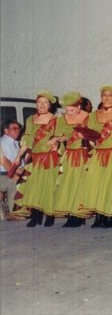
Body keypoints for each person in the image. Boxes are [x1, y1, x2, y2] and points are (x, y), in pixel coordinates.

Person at [78, 85, 112, 228]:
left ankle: (110, 217)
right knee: (96, 184)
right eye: (104, 95)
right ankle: (99, 216)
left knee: (110, 185)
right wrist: (89, 141)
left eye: (110, 95)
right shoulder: (93, 115)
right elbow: (87, 134)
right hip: (98, 154)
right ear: (101, 97)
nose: (107, 98)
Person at [15, 91, 60, 227]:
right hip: (35, 158)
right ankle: (36, 216)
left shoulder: (56, 119)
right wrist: (18, 156)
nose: (42, 105)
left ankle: (50, 215)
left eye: (45, 103)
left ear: (50, 105)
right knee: (33, 186)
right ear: (36, 104)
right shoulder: (30, 119)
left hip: (50, 158)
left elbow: (61, 137)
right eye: (40, 102)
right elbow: (27, 140)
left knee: (48, 186)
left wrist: (56, 143)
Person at [52, 92, 90, 227]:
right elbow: (61, 136)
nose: (69, 113)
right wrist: (57, 140)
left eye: (71, 110)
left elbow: (94, 135)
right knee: (68, 184)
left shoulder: (88, 117)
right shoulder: (62, 119)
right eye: (66, 110)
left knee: (80, 185)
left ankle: (78, 215)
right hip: (69, 155)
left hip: (83, 154)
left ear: (79, 106)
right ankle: (70, 214)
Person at [0, 120, 23, 220]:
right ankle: (13, 212)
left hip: (7, 173)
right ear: (6, 131)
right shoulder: (4, 142)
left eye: (19, 129)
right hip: (3, 174)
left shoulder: (14, 142)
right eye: (14, 128)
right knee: (13, 181)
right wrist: (18, 173)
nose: (18, 131)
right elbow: (6, 162)